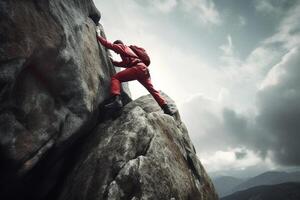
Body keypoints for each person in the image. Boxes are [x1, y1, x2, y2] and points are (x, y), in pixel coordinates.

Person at [96, 31, 175, 116]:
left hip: (137, 68)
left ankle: (117, 100)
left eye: (116, 50)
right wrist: (114, 62)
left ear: (118, 44)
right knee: (152, 90)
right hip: (144, 70)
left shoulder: (122, 47)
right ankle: (166, 108)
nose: (116, 52)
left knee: (116, 78)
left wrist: (98, 36)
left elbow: (109, 45)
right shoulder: (129, 53)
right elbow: (124, 64)